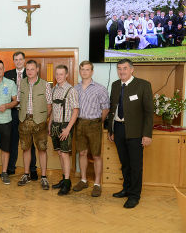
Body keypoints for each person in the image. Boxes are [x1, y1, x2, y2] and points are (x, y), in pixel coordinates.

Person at [108, 59, 153, 209]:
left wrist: (147, 134)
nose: (122, 71)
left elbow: (148, 113)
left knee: (135, 165)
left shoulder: (143, 85)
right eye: (119, 69)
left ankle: (134, 195)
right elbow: (112, 109)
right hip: (119, 130)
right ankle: (126, 189)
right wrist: (111, 130)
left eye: (125, 68)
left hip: (135, 132)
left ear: (132, 70)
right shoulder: (115, 85)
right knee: (125, 164)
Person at [73, 61, 109, 197]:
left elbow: (105, 109)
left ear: (92, 71)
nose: (84, 72)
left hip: (94, 124)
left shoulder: (100, 88)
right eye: (82, 69)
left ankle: (97, 184)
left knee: (96, 155)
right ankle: (83, 180)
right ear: (80, 71)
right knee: (82, 153)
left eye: (87, 70)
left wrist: (99, 122)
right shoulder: (75, 89)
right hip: (80, 123)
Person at [17, 60, 52, 190]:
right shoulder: (22, 83)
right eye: (27, 69)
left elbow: (49, 105)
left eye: (32, 69)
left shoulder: (45, 85)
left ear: (37, 69)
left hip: (40, 121)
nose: (30, 72)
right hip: (24, 120)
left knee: (42, 149)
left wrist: (44, 119)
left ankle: (43, 177)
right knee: (25, 148)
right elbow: (19, 100)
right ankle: (26, 175)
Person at [4, 51, 38, 180]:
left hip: (28, 113)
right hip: (12, 112)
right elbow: (5, 92)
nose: (18, 61)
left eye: (20, 59)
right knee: (12, 141)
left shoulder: (30, 73)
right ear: (14, 61)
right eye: (16, 59)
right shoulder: (8, 74)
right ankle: (11, 167)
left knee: (29, 143)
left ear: (24, 60)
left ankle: (32, 169)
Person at [48, 65, 79, 195]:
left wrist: (68, 129)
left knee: (65, 154)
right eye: (57, 74)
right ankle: (63, 178)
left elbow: (76, 111)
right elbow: (54, 110)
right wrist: (50, 124)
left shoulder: (71, 90)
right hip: (55, 124)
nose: (59, 76)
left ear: (66, 75)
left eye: (61, 74)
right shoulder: (54, 89)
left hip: (66, 125)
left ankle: (67, 182)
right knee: (60, 153)